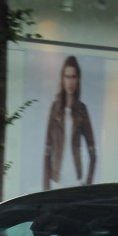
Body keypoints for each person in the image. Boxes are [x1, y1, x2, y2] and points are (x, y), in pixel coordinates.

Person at [43, 56, 97, 191]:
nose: (70, 81)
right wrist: (46, 187)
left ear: (78, 79)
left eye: (73, 77)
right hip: (56, 180)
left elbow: (93, 152)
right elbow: (47, 150)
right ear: (62, 78)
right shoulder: (55, 109)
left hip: (76, 181)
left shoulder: (81, 110)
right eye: (67, 76)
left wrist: (88, 184)